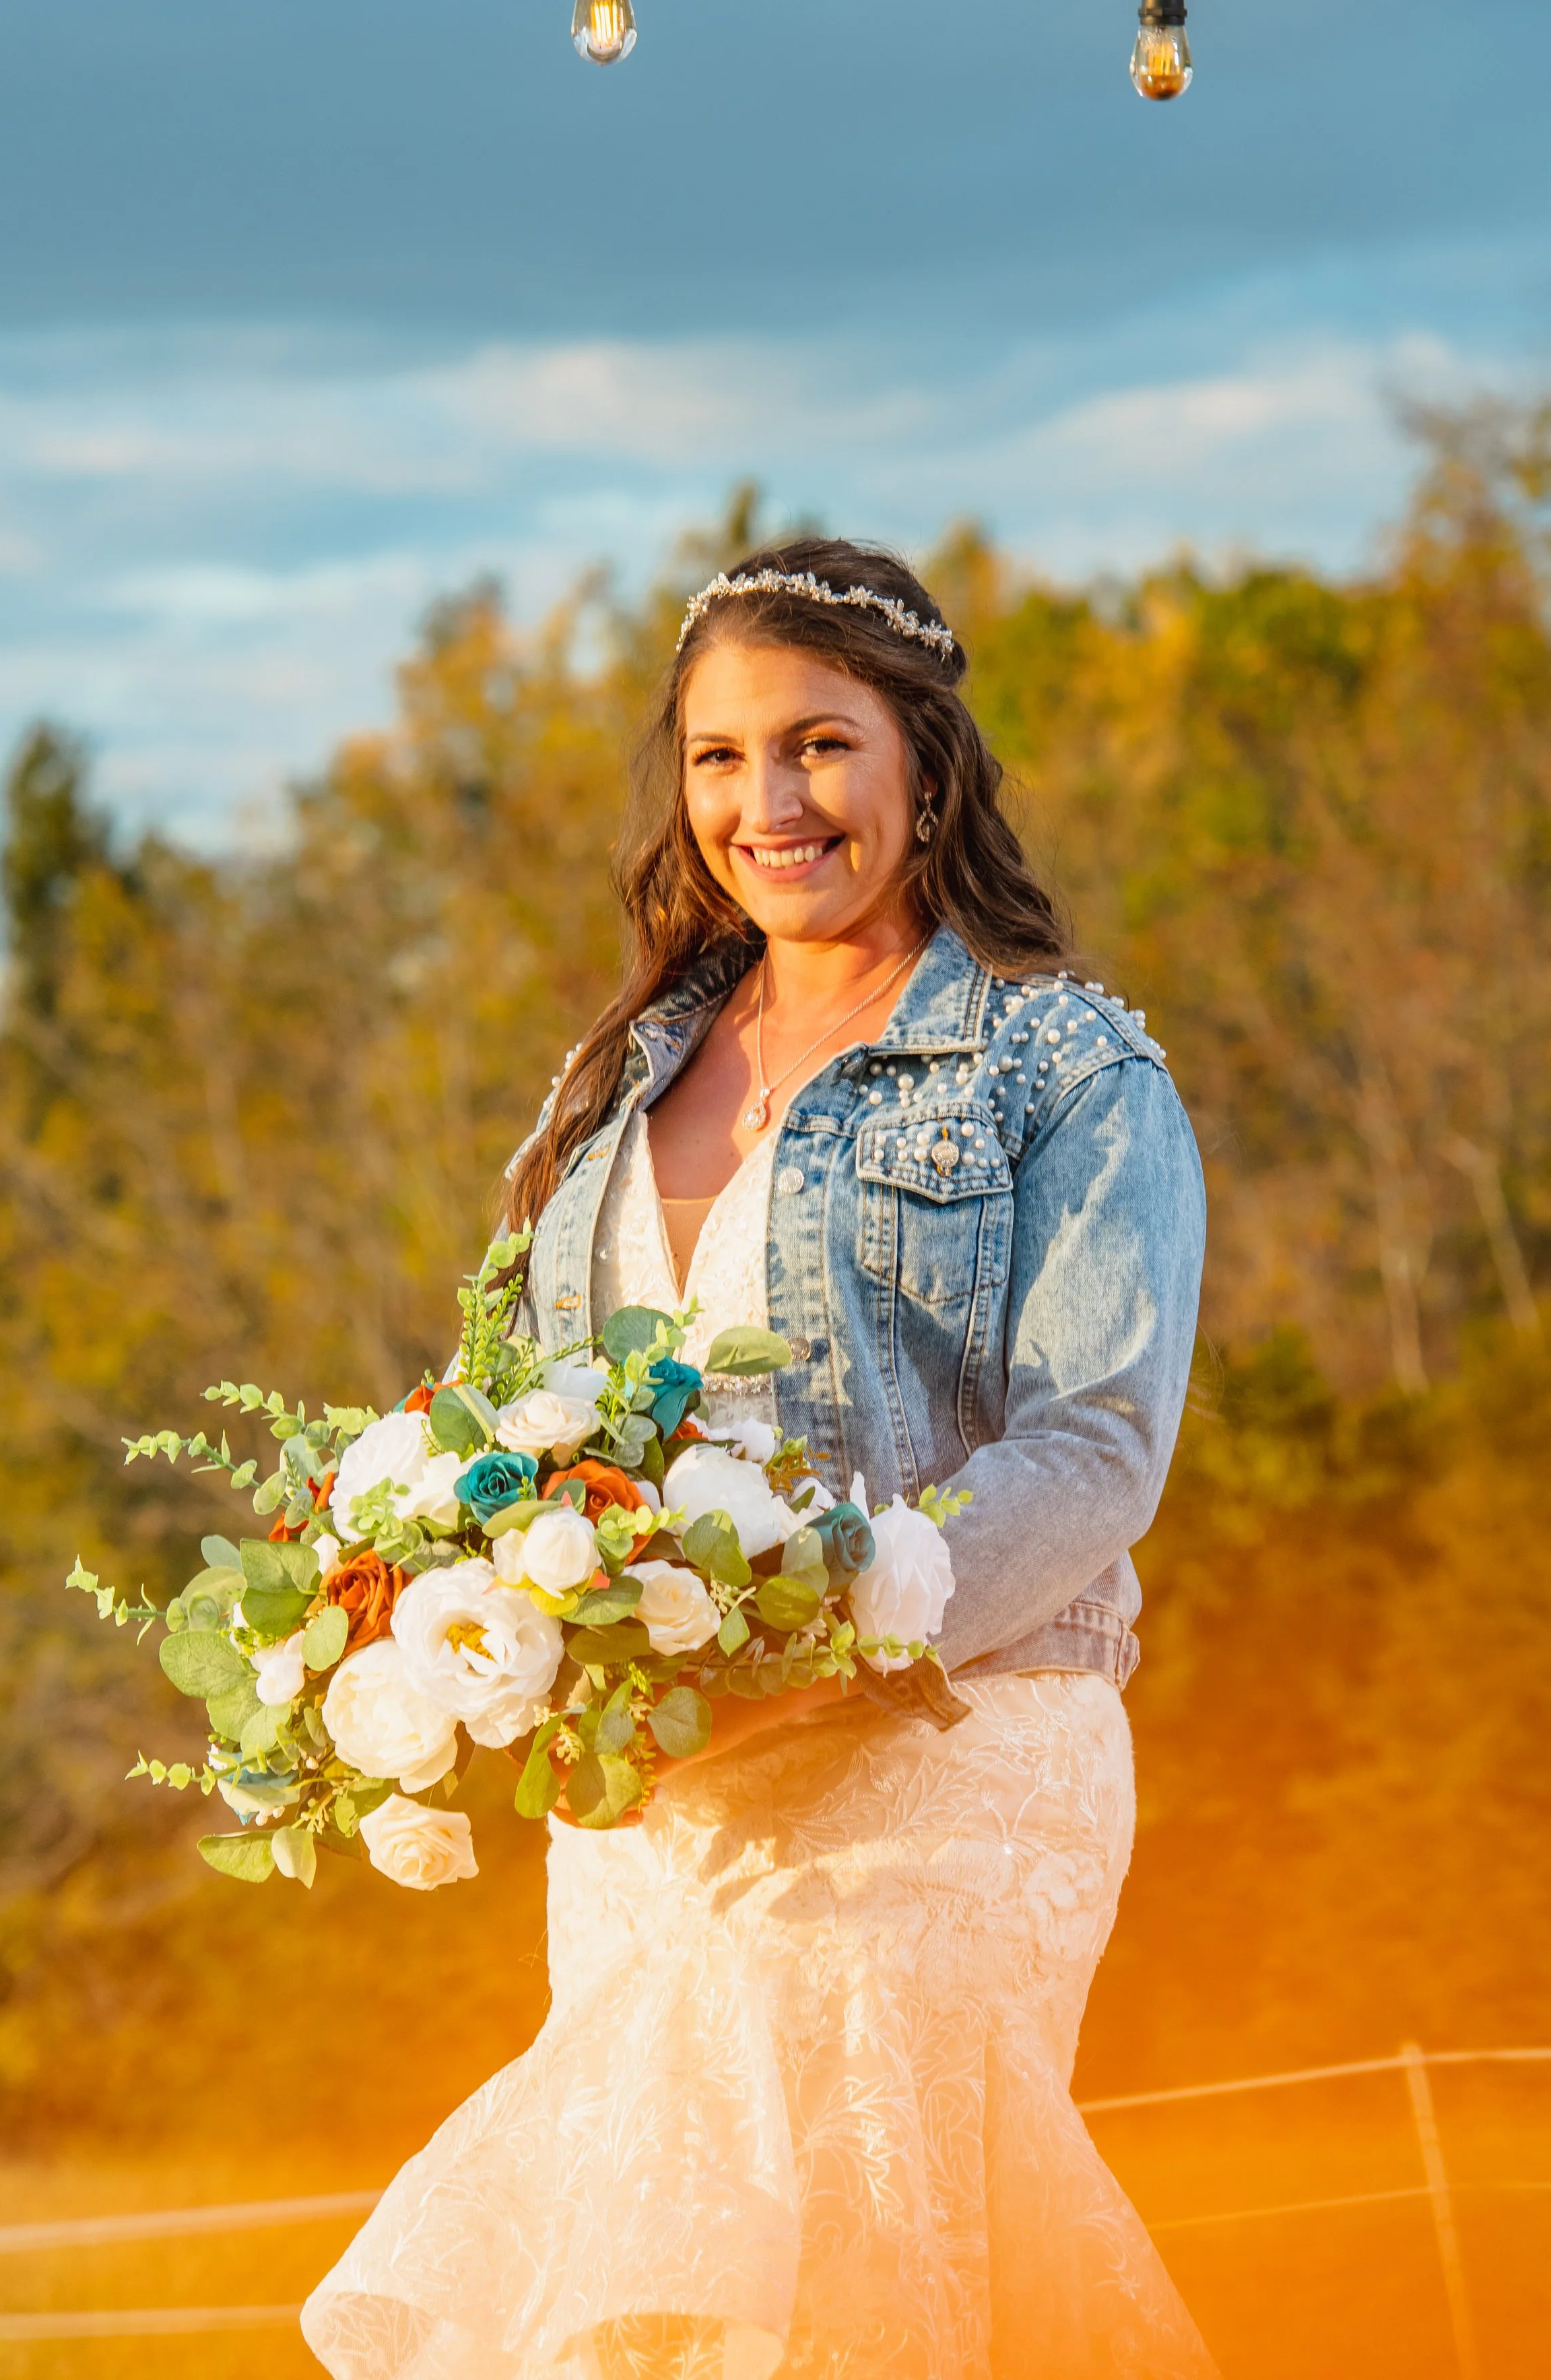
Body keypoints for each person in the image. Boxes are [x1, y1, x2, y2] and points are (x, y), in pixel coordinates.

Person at [304, 542, 1216, 2380]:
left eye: (818, 744)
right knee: (678, 2283)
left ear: (925, 770)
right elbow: (526, 1420)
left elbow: (1098, 1446)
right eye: (718, 757)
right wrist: (436, 1613)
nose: (765, 801)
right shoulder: (616, 1072)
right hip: (664, 1798)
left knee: (848, 2088)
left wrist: (834, 1632)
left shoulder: (1064, 1068)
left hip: (950, 1739)